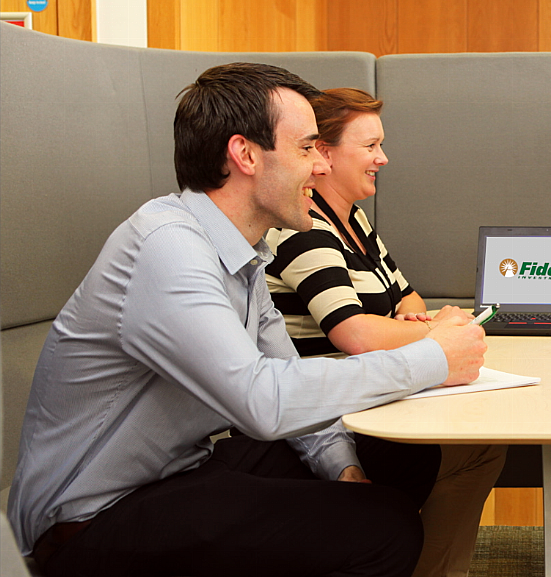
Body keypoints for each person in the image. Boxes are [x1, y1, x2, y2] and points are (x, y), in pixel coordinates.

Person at [6, 63, 486, 577]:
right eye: (306, 149)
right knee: (385, 531)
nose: (320, 168)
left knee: (397, 462)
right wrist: (432, 359)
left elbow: (285, 374)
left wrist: (344, 470)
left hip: (180, 470)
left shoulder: (242, 252)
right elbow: (263, 400)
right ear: (246, 155)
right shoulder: (168, 246)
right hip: (90, 521)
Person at [264, 87, 506, 577]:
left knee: (480, 445)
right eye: (371, 146)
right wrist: (437, 335)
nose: (383, 158)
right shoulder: (304, 226)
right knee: (476, 449)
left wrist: (420, 326)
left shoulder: (353, 220)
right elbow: (352, 332)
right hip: (329, 413)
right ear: (324, 154)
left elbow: (408, 301)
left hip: (375, 391)